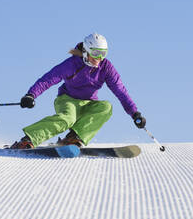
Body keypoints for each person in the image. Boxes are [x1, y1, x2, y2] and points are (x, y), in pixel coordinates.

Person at [10, 32, 146, 149]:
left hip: (88, 104)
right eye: (96, 53)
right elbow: (48, 79)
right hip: (67, 100)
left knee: (106, 107)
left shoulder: (106, 67)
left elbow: (120, 90)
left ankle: (73, 138)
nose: (99, 58)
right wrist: (31, 95)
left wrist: (134, 113)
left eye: (103, 54)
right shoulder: (72, 64)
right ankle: (28, 139)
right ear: (86, 51)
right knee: (67, 119)